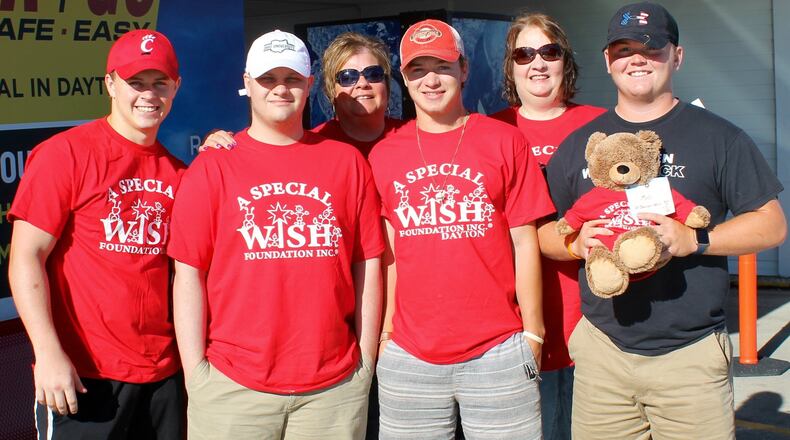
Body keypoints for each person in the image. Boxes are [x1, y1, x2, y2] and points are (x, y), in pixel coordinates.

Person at [541, 2, 786, 439]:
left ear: (677, 56)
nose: (637, 58)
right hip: (602, 355)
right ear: (607, 60)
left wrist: (696, 239)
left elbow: (770, 224)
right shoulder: (582, 144)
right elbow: (544, 231)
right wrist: (574, 245)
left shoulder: (719, 137)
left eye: (652, 48)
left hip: (688, 358)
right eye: (623, 49)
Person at [167, 30, 383, 440]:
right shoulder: (214, 168)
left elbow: (368, 263)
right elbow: (188, 274)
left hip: (332, 389)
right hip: (233, 388)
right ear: (247, 84)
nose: (280, 89)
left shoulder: (346, 163)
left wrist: (365, 363)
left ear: (310, 84)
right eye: (268, 79)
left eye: (292, 78)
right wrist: (197, 374)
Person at [368, 19, 554, 439]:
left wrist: (533, 334)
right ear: (403, 77)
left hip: (499, 351)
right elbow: (391, 253)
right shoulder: (384, 155)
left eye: (443, 66)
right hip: (409, 356)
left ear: (464, 69)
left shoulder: (504, 141)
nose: (431, 80)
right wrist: (387, 336)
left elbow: (524, 241)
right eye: (418, 69)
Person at [8, 30, 185, 439]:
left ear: (176, 87)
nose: (149, 95)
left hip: (163, 376)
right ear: (110, 84)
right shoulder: (65, 154)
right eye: (135, 83)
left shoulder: (181, 174)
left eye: (160, 83)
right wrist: (48, 352)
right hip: (83, 375)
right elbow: (25, 257)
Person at [490, 12, 606, 440]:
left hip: (590, 314)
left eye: (549, 51)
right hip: (515, 318)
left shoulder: (601, 124)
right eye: (524, 53)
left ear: (565, 61)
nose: (537, 63)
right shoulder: (491, 130)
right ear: (511, 66)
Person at [205, 32, 403, 158]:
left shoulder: (414, 136)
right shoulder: (314, 145)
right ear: (330, 89)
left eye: (373, 74)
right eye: (348, 77)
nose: (362, 84)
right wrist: (218, 142)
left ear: (387, 82)